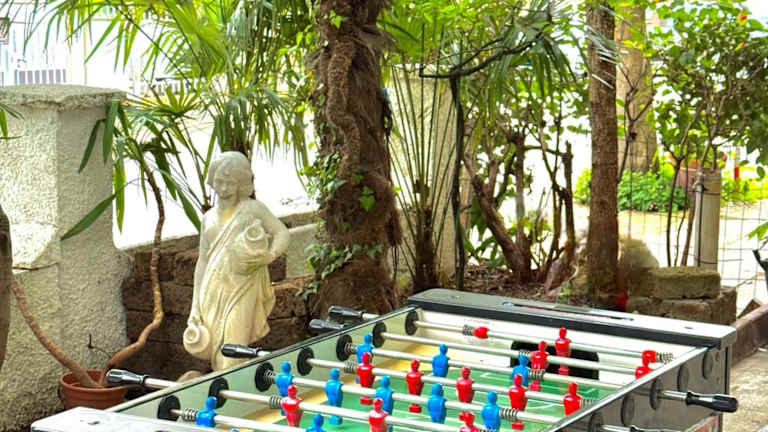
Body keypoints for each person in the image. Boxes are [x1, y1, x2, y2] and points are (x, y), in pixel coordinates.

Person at [184, 152, 289, 370]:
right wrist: (195, 306)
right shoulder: (208, 218)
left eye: (230, 183)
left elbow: (281, 232)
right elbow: (203, 261)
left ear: (240, 183)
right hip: (212, 291)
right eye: (219, 181)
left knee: (232, 350)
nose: (223, 189)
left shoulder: (252, 209)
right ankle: (229, 387)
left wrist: (270, 255)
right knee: (217, 351)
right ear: (212, 180)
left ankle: (230, 386)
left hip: (243, 287)